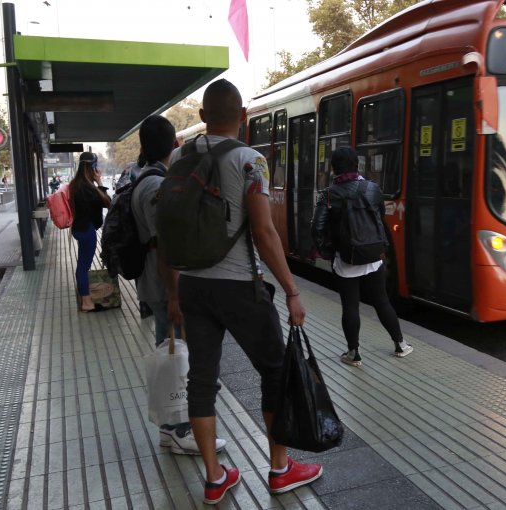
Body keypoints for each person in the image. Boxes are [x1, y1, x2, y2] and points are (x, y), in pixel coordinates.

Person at [169, 79, 321, 505]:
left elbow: (171, 229)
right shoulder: (251, 161)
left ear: (201, 118)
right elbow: (264, 231)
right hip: (239, 287)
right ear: (243, 117)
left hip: (194, 285)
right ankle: (280, 468)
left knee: (202, 378)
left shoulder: (181, 156)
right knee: (275, 371)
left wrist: (173, 292)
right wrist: (291, 290)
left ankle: (215, 478)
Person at [132, 115, 227, 456]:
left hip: (155, 285)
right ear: (175, 145)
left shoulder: (143, 179)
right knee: (177, 357)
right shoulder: (156, 185)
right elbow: (165, 246)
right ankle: (179, 429)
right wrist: (175, 296)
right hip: (164, 288)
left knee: (172, 353)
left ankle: (169, 428)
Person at [311, 146, 413, 367]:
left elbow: (317, 227)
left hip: (346, 257)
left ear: (333, 168)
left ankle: (353, 354)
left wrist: (327, 251)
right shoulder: (372, 188)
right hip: (374, 255)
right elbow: (378, 215)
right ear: (357, 166)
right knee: (381, 301)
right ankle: (401, 344)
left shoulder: (328, 195)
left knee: (350, 306)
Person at [69, 152, 111, 312]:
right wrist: (99, 181)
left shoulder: (75, 184)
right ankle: (86, 302)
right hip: (87, 230)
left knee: (82, 265)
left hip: (80, 228)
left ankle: (85, 300)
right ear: (92, 166)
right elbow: (107, 202)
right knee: (83, 267)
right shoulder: (87, 187)